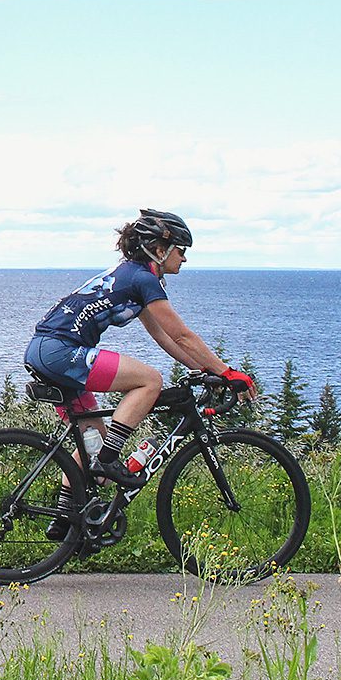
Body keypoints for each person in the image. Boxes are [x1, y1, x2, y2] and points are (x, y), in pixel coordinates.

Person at [24, 210, 254, 522]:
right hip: (62, 351)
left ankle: (65, 522)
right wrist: (227, 372)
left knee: (92, 443)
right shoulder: (143, 279)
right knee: (150, 380)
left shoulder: (131, 275)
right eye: (181, 251)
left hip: (45, 350)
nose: (184, 259)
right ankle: (109, 461)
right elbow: (182, 334)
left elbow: (165, 338)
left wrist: (206, 371)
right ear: (160, 250)